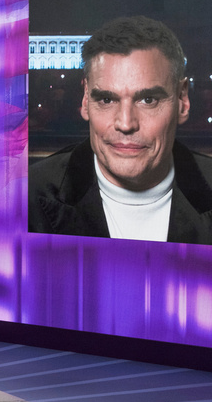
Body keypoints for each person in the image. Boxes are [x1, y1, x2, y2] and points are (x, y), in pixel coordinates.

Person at [28, 15, 212, 243]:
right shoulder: (25, 197)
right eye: (106, 100)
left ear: (182, 100)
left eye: (148, 100)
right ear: (85, 100)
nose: (125, 124)